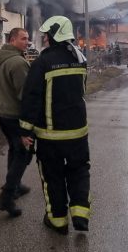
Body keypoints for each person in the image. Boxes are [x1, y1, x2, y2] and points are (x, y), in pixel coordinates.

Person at [20, 16, 91, 235]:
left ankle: (58, 221)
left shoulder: (43, 62)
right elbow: (82, 91)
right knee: (79, 171)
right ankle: (80, 215)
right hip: (78, 133)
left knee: (53, 176)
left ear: (53, 35)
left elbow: (32, 97)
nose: (44, 38)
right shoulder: (80, 58)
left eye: (46, 34)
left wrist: (25, 129)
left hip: (51, 136)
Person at [0, 28, 33, 217]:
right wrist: (27, 126)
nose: (28, 42)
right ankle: (7, 197)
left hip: (2, 113)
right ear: (12, 39)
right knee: (23, 153)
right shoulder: (18, 63)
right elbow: (26, 97)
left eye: (28, 39)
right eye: (24, 39)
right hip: (16, 117)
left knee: (14, 149)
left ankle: (15, 185)